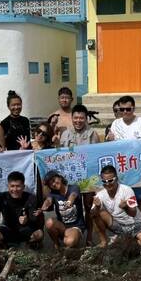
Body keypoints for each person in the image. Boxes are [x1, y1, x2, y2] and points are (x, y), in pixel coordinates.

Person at [106, 95, 141, 220]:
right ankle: (124, 227)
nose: (125, 112)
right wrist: (110, 140)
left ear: (133, 108)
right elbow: (111, 146)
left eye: (128, 109)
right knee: (122, 200)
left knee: (138, 199)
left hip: (138, 168)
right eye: (122, 110)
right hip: (121, 168)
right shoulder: (116, 124)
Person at [59, 104, 100, 243]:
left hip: (88, 177)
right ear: (72, 118)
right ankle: (73, 234)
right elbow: (60, 155)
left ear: (86, 118)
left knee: (89, 207)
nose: (78, 121)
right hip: (71, 178)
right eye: (75, 117)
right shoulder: (65, 134)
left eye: (81, 118)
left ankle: (89, 236)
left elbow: (95, 156)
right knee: (72, 207)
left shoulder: (93, 133)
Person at [92, 165, 141, 249]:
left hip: (135, 224)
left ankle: (130, 241)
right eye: (104, 181)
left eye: (110, 180)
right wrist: (97, 207)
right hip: (118, 225)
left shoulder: (127, 190)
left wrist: (125, 207)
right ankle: (104, 241)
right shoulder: (100, 194)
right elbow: (92, 214)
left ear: (117, 179)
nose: (107, 183)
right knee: (98, 213)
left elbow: (133, 213)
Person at [0, 171, 43, 247]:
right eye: (12, 186)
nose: (15, 189)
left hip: (25, 229)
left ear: (23, 186)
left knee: (39, 234)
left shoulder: (31, 198)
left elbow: (34, 217)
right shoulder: (3, 196)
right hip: (8, 229)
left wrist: (27, 219)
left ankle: (28, 243)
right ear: (8, 186)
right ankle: (6, 245)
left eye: (18, 186)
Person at [41, 171, 85, 249]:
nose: (54, 184)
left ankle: (72, 240)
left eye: (54, 180)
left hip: (76, 226)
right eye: (51, 184)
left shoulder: (74, 187)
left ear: (60, 178)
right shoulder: (53, 194)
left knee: (69, 242)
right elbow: (49, 200)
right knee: (49, 223)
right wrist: (45, 205)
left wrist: (69, 202)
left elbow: (73, 195)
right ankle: (57, 245)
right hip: (62, 226)